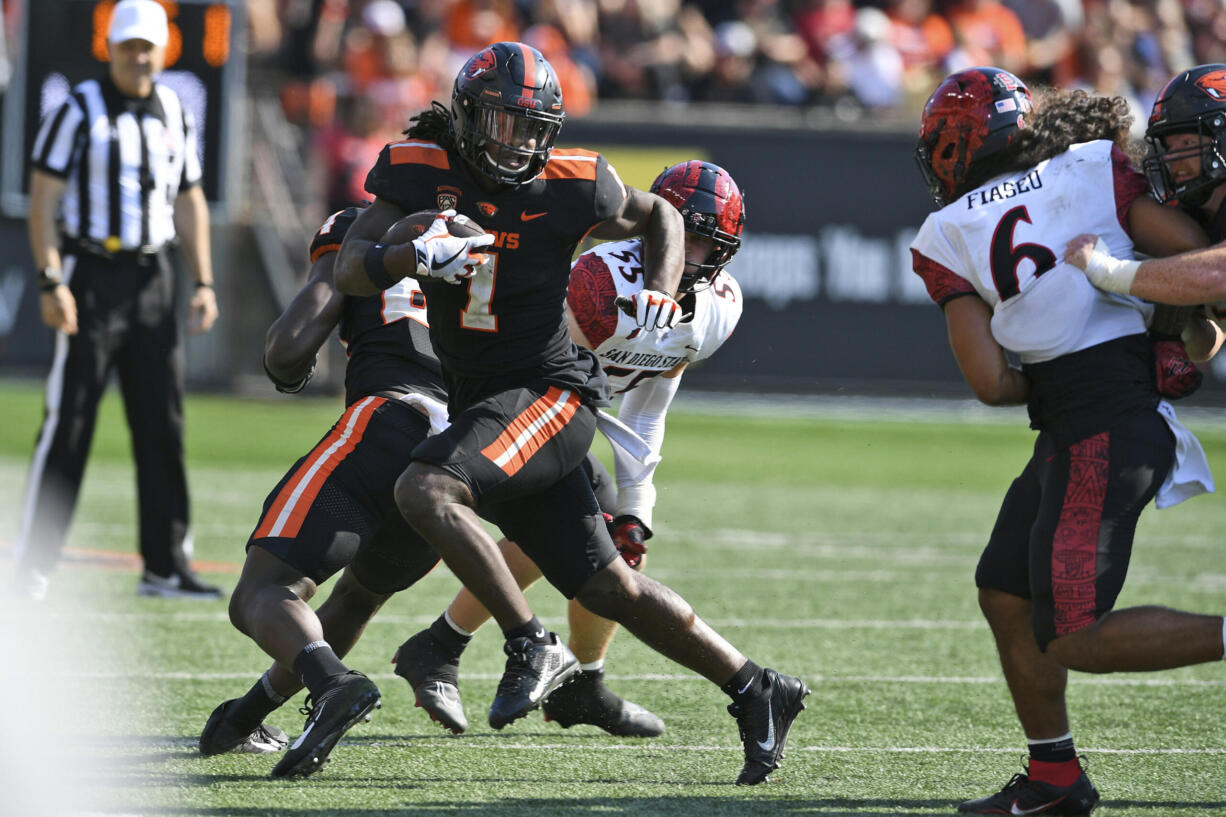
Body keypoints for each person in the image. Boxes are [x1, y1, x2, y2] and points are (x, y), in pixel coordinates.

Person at [334, 42, 808, 785]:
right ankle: (757, 685)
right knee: (606, 587)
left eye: (532, 128)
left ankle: (528, 642)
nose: (517, 143)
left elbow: (661, 219)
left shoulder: (573, 181)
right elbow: (347, 265)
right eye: (502, 123)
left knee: (426, 490)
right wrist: (407, 257)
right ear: (466, 116)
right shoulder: (418, 167)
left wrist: (658, 285)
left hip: (550, 391)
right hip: (488, 393)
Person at [910, 67, 1221, 815]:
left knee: (1074, 634)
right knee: (1005, 591)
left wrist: (1049, 381)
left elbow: (989, 380)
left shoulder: (943, 232)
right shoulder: (1091, 165)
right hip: (1097, 417)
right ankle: (1055, 777)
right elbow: (1192, 261)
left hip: (1092, 422)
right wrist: (1170, 340)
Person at [394, 159, 746, 739]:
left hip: (561, 412)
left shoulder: (718, 306)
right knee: (573, 524)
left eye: (711, 245)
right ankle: (451, 647)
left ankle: (572, 680)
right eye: (689, 237)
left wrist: (640, 508)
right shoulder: (600, 283)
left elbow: (647, 403)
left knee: (609, 534)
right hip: (511, 396)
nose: (695, 257)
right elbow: (552, 374)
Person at [201, 205, 449, 776]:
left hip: (388, 421)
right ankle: (246, 718)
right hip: (459, 458)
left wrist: (294, 363)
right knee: (358, 596)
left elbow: (286, 351)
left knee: (263, 592)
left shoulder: (364, 227)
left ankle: (333, 683)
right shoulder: (501, 234)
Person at [14, 0, 220, 601]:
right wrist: (51, 280)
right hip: (91, 273)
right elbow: (43, 198)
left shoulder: (176, 110)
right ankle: (33, 562)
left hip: (155, 276)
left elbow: (190, 200)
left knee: (162, 423)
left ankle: (165, 564)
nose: (137, 56)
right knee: (69, 422)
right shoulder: (78, 109)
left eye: (147, 46)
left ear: (162, 50)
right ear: (111, 46)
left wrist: (203, 280)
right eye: (128, 45)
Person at [1063, 63, 1226, 363]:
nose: (1174, 159)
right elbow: (1208, 341)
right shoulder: (1198, 216)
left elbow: (1220, 273)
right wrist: (1174, 326)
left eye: (1188, 142)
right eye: (1169, 145)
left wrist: (1109, 272)